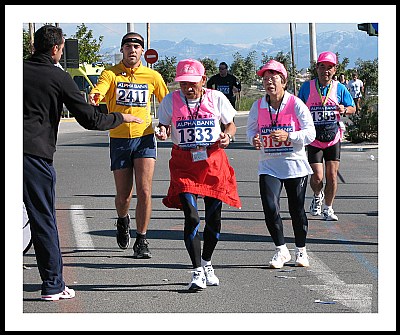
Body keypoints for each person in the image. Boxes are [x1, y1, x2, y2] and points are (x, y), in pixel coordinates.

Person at [23, 25, 142, 301]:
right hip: (33, 155)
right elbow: (90, 118)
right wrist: (119, 118)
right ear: (55, 49)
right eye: (62, 48)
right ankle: (53, 284)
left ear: (33, 47)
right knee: (43, 219)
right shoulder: (58, 77)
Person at [155, 59, 242, 290]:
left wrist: (228, 136)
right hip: (184, 164)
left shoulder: (216, 98)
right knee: (192, 216)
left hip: (212, 163)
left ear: (203, 80)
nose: (187, 88)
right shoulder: (171, 101)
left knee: (214, 220)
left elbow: (230, 124)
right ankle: (196, 271)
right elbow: (163, 125)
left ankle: (207, 263)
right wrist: (162, 131)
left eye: (192, 83)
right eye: (183, 83)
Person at [89, 32, 169, 259]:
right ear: (122, 50)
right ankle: (123, 220)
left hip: (145, 137)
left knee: (145, 191)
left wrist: (164, 125)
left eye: (136, 46)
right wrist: (95, 96)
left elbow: (168, 105)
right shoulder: (111, 74)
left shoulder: (152, 76)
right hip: (120, 139)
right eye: (128, 46)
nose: (132, 50)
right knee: (124, 195)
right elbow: (101, 89)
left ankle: (142, 239)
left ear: (142, 51)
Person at [246, 60, 316, 269]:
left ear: (283, 81)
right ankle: (281, 249)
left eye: (273, 78)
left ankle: (301, 251)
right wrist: (254, 140)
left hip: (294, 165)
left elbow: (310, 134)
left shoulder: (295, 104)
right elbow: (251, 131)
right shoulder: (258, 106)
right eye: (265, 79)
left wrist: (289, 135)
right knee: (270, 207)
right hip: (269, 165)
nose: (269, 83)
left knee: (296, 210)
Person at [298, 51, 356, 221]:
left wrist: (344, 109)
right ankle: (317, 195)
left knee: (331, 176)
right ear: (317, 68)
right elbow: (297, 108)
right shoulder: (307, 87)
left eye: (330, 67)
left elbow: (352, 107)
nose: (326, 70)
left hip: (333, 137)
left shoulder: (340, 88)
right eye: (322, 66)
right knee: (317, 177)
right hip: (314, 138)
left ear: (335, 69)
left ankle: (328, 208)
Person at [206, 62, 241, 135]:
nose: (221, 71)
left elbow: (238, 86)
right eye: (219, 69)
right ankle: (222, 133)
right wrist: (212, 92)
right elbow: (209, 84)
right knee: (221, 118)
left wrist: (237, 89)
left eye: (222, 69)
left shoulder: (232, 78)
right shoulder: (215, 78)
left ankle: (230, 133)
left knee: (229, 118)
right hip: (218, 101)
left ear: (226, 69)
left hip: (229, 100)